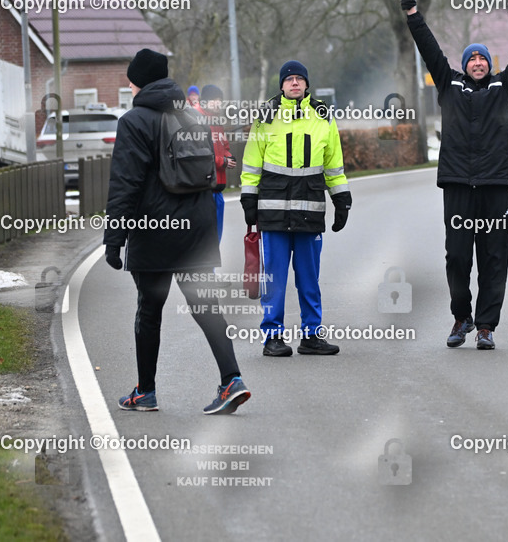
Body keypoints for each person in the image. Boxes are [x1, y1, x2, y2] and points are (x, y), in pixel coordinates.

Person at [391, 0, 508, 350]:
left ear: (489, 64)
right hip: (458, 186)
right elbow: (427, 46)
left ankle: (486, 326)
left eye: (482, 58)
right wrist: (410, 8)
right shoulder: (449, 86)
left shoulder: (504, 86)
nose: (478, 62)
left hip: (496, 187)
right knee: (458, 258)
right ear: (464, 65)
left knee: (494, 258)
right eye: (472, 58)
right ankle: (461, 317)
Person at [104, 48, 251, 415]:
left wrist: (114, 238)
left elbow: (125, 184)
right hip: (196, 228)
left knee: (149, 311)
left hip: (154, 230)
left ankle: (146, 392)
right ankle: (232, 379)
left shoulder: (133, 121)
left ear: (137, 81)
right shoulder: (193, 116)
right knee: (205, 306)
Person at [241, 60, 351, 357]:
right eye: (289, 79)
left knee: (309, 280)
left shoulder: (324, 117)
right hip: (273, 214)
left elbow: (334, 165)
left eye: (299, 79)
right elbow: (251, 164)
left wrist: (342, 199)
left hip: (310, 212)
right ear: (281, 85)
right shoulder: (265, 116)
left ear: (306, 84)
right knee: (274, 280)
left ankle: (311, 337)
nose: (294, 83)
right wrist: (248, 200)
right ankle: (272, 338)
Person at [195, 84, 235, 242]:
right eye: (215, 100)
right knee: (205, 242)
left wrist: (229, 157)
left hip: (217, 188)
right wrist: (222, 162)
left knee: (215, 240)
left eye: (220, 100)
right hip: (203, 191)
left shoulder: (215, 120)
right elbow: (199, 155)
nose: (218, 103)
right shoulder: (196, 119)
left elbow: (224, 145)